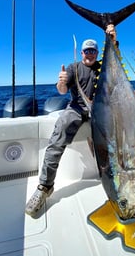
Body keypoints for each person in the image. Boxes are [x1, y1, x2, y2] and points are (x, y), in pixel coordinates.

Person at [25, 24, 118, 217]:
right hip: (76, 108)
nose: (89, 54)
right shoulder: (73, 67)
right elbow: (62, 91)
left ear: (97, 52)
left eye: (93, 51)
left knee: (114, 142)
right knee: (57, 140)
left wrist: (113, 40)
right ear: (82, 52)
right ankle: (44, 186)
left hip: (100, 110)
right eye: (87, 51)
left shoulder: (103, 67)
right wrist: (61, 81)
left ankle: (117, 181)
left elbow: (115, 61)